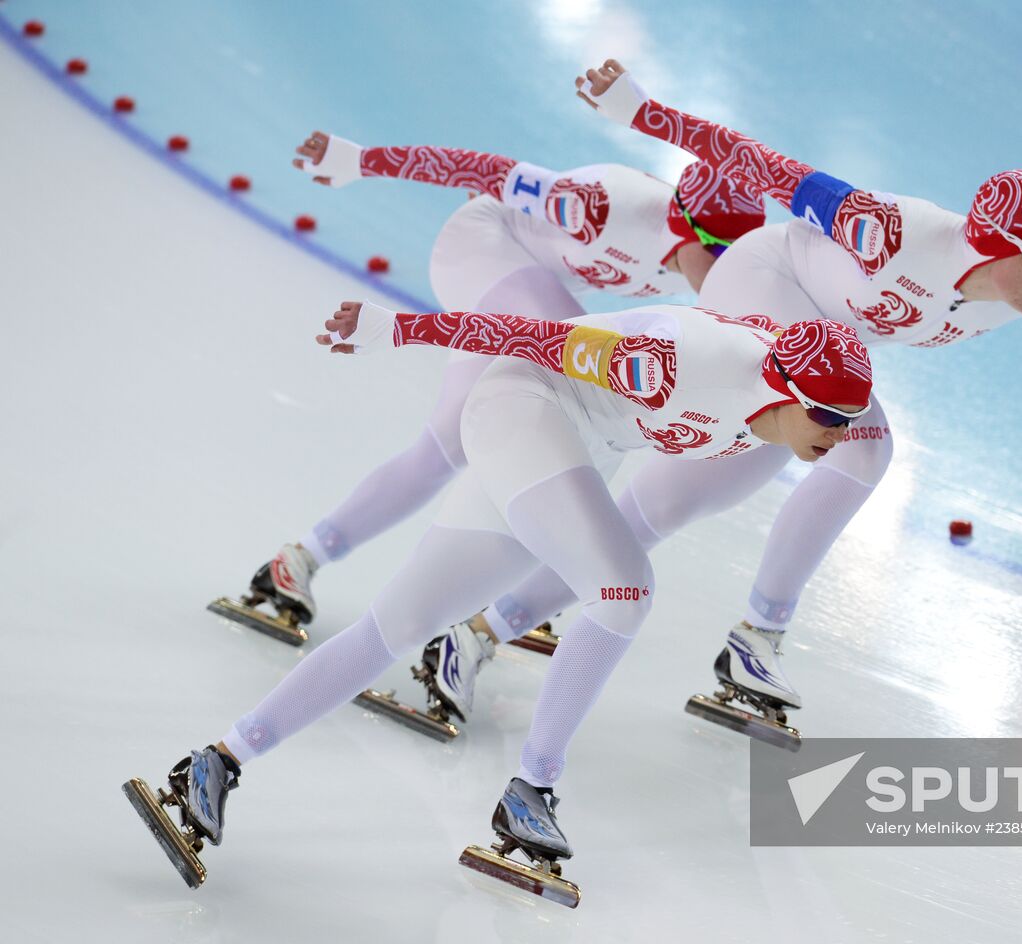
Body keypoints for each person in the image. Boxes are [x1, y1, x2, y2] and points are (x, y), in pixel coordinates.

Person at [126, 296, 873, 904]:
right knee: (624, 588)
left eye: (849, 422)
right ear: (787, 393)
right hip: (525, 406)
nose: (840, 438)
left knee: (401, 624)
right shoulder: (675, 364)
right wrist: (399, 327)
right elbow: (528, 334)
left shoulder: (782, 390)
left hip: (574, 443)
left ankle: (215, 763)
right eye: (831, 421)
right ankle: (532, 788)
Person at [467, 59, 1022, 740]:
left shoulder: (1010, 299)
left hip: (820, 346)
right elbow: (763, 166)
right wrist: (642, 112)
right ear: (998, 244)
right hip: (765, 283)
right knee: (866, 445)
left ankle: (485, 628)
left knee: (670, 503)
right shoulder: (893, 232)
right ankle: (758, 635)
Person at [210, 128, 766, 654]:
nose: (721, 273)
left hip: (524, 288)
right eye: (717, 253)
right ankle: (539, 570)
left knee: (445, 447)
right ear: (688, 226)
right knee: (583, 392)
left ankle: (298, 561)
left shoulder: (715, 257)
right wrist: (361, 161)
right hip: (480, 247)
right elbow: (485, 170)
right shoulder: (604, 206)